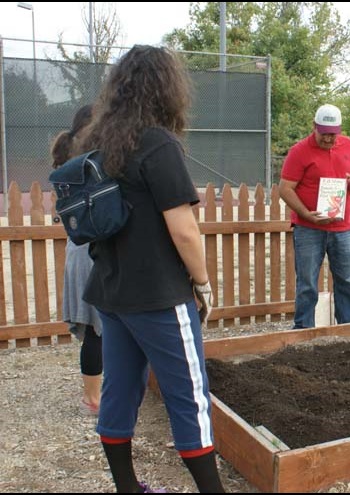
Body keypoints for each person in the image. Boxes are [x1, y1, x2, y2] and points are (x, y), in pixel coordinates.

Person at [80, 45, 224, 493]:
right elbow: (184, 231)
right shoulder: (158, 143)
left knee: (120, 391)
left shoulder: (99, 144)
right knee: (190, 398)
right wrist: (202, 283)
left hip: (112, 293)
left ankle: (128, 488)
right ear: (167, 89)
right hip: (160, 296)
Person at [278, 104, 350, 329]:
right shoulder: (299, 151)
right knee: (307, 283)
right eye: (324, 133)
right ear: (314, 127)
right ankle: (303, 330)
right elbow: (285, 189)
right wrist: (306, 215)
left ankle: (349, 328)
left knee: (346, 280)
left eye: (333, 134)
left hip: (343, 228)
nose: (329, 139)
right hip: (309, 228)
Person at [51, 104, 103, 415]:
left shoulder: (71, 162)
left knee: (98, 328)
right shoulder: (90, 164)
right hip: (91, 251)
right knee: (99, 327)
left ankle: (94, 395)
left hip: (78, 249)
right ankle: (93, 400)